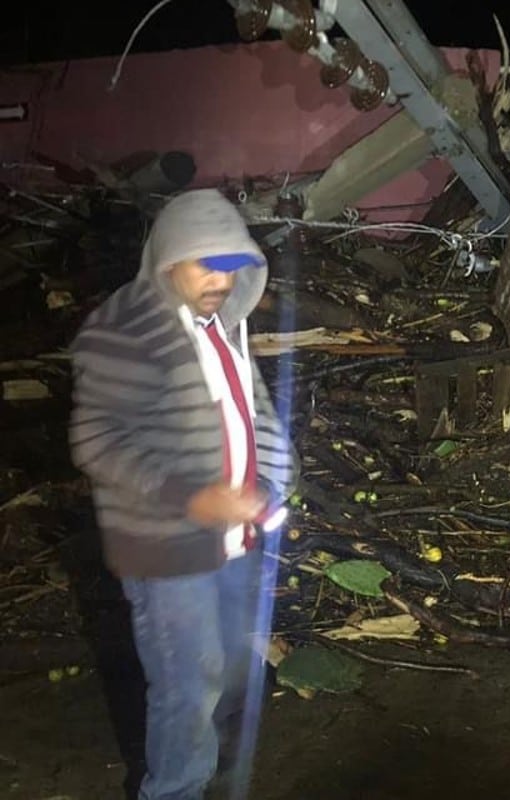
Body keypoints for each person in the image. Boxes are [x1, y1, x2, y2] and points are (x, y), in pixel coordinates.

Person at [68, 188, 295, 800]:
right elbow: (98, 442)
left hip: (231, 541)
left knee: (220, 669)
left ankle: (201, 774)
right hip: (165, 547)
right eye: (207, 263)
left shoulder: (219, 329)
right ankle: (172, 791)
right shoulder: (125, 331)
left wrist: (274, 479)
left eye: (232, 264)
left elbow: (252, 414)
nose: (222, 279)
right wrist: (193, 498)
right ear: (169, 259)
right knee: (186, 684)